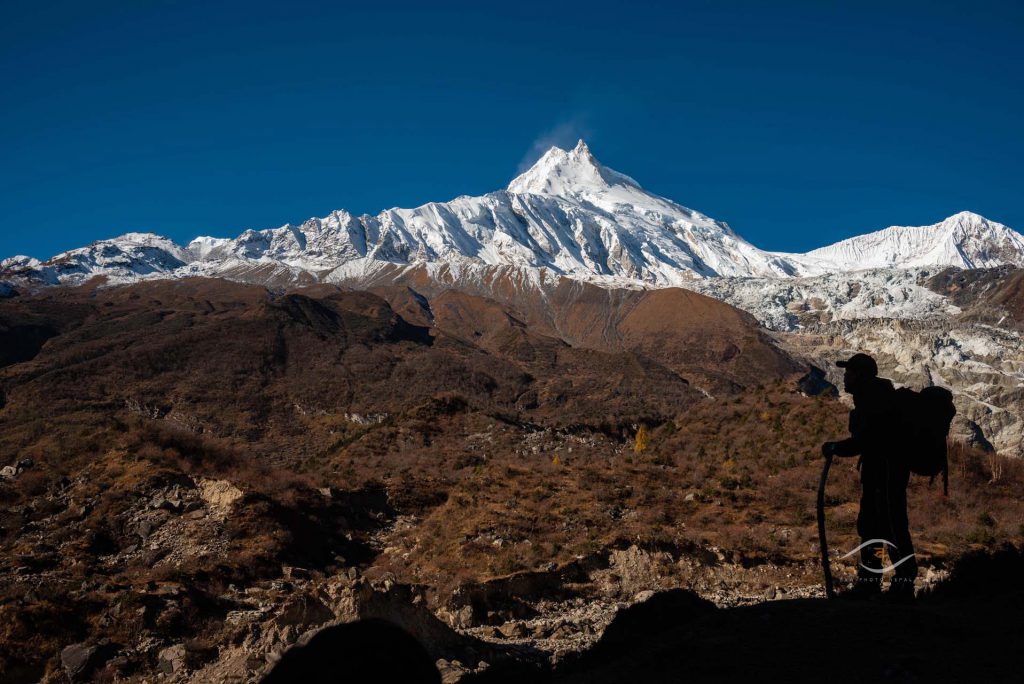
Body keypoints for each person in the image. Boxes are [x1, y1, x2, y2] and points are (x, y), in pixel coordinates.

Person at [822, 353, 917, 602]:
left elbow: (867, 440)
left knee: (890, 526)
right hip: (881, 472)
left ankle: (901, 582)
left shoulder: (873, 399)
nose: (845, 377)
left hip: (885, 472)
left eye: (849, 372)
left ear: (860, 375)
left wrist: (836, 448)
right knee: (874, 525)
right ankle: (874, 581)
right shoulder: (873, 396)